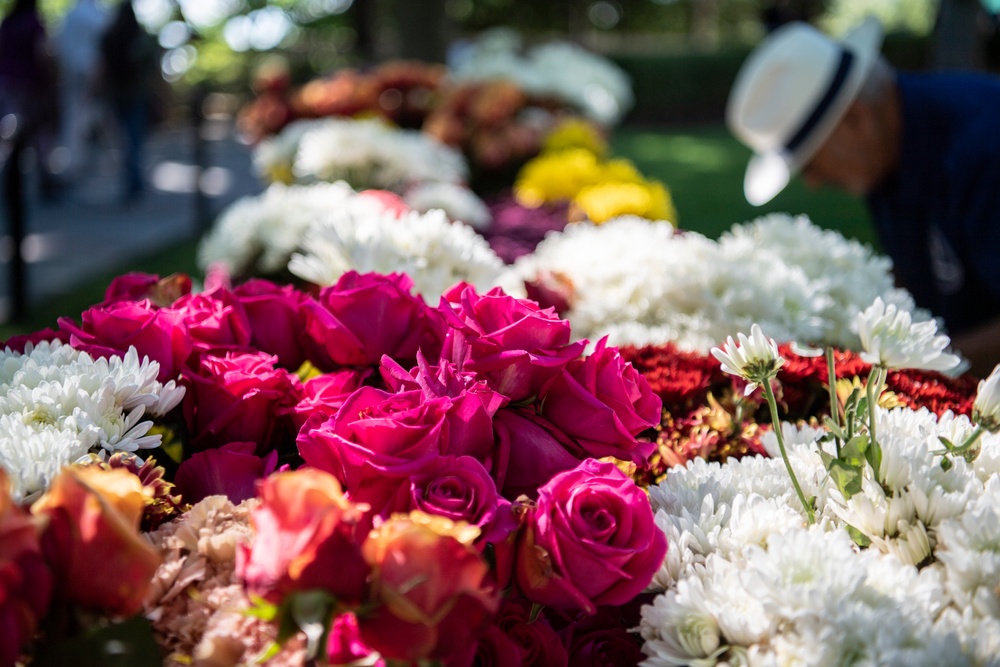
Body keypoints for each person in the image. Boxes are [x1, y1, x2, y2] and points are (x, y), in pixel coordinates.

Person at [726, 17, 1000, 377]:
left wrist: (901, 372)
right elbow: (920, 280)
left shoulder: (984, 149)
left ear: (856, 119)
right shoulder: (884, 156)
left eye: (811, 159)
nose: (813, 181)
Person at [0, 0, 61, 198]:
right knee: (38, 132)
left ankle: (10, 177)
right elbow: (42, 53)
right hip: (31, 86)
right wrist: (50, 78)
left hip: (10, 85)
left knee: (12, 132)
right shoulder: (33, 23)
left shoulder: (8, 22)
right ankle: (45, 180)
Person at [99, 0, 159, 201]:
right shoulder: (139, 37)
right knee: (134, 142)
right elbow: (152, 70)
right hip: (135, 95)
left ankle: (132, 185)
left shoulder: (109, 37)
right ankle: (135, 186)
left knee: (123, 142)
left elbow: (102, 68)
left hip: (115, 95)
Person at [54, 0, 110, 181]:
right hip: (89, 73)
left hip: (73, 73)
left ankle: (76, 163)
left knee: (75, 117)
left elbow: (59, 46)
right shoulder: (96, 15)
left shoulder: (70, 15)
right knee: (86, 117)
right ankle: (81, 164)